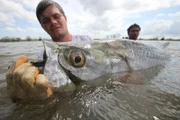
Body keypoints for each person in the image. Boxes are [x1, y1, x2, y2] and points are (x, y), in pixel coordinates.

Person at [6, 0, 92, 102]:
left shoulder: (86, 41)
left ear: (65, 18)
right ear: (42, 26)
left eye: (56, 16)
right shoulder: (42, 53)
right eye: (46, 20)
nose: (53, 22)